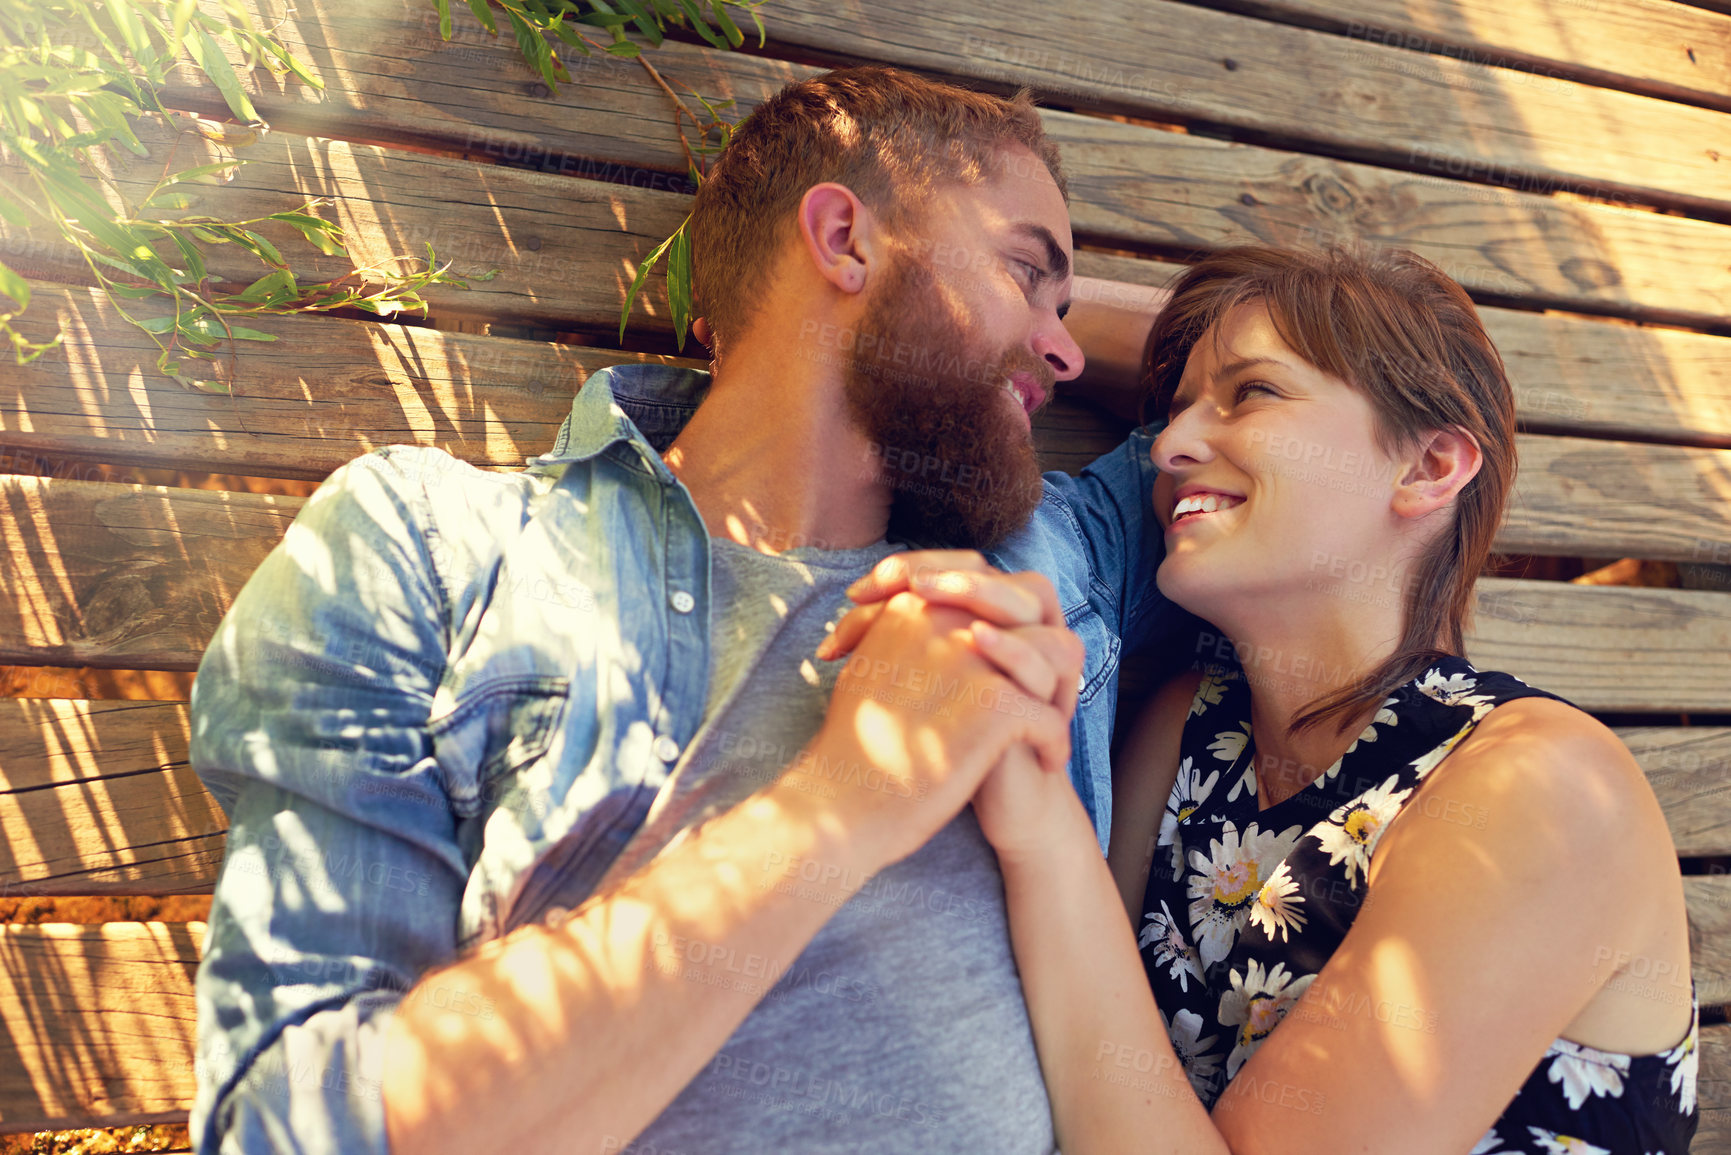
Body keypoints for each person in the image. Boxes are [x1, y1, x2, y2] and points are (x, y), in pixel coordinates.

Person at [186, 64, 1198, 1154]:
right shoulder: (436, 545)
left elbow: (1286, 377)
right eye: (1028, 273)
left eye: (1068, 307)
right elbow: (288, 1125)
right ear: (846, 240)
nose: (1066, 347)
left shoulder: (1049, 558)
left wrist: (1003, 296)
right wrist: (848, 797)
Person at [910, 244, 1698, 1153]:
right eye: (1174, 410)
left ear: (1428, 467)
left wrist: (1041, 822)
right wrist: (960, 296)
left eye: (1251, 394)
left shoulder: (1543, 790)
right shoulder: (1188, 734)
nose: (1165, 449)